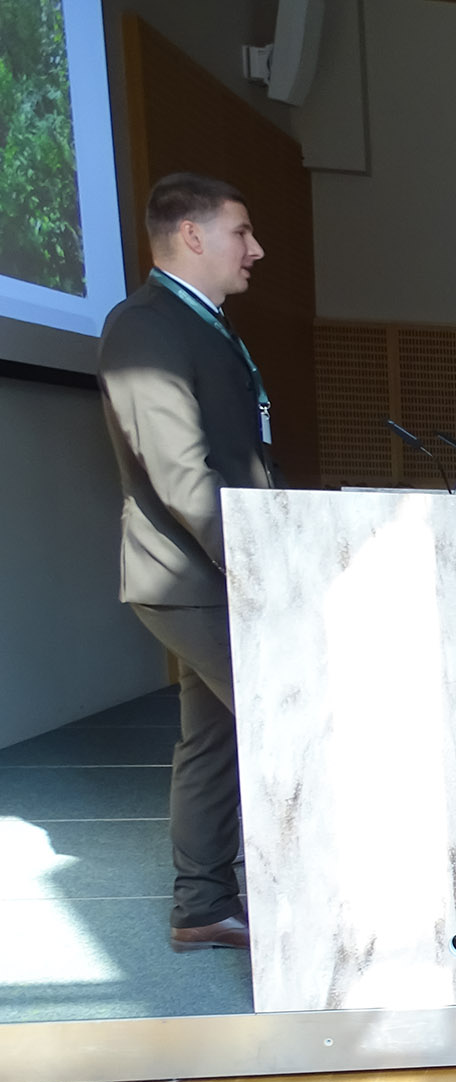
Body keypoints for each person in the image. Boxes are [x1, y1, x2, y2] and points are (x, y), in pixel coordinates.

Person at [98, 173, 279, 953]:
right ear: (192, 234)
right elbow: (180, 474)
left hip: (216, 575)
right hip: (194, 577)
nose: (256, 249)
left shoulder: (202, 324)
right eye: (242, 232)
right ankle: (318, 903)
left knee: (213, 740)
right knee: (288, 723)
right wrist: (260, 568)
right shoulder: (145, 326)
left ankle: (202, 905)